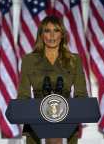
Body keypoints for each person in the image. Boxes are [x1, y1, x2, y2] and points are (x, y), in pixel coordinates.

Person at [17, 15, 87, 144]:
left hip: (66, 114)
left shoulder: (74, 60)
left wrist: (80, 110)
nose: (52, 36)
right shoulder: (29, 60)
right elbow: (23, 95)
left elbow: (81, 95)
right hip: (36, 115)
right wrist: (21, 110)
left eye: (56, 30)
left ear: (62, 35)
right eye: (47, 31)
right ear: (41, 35)